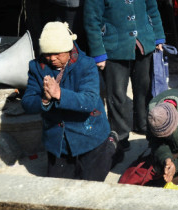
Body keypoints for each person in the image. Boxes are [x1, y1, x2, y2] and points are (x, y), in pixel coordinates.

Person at [84, 0, 165, 151]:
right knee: (117, 95)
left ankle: (144, 126)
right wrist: (99, 54)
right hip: (114, 48)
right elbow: (92, 22)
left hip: (142, 44)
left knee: (144, 88)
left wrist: (158, 38)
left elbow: (152, 9)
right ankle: (120, 137)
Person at [21, 22, 116, 181]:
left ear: (68, 48)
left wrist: (59, 94)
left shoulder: (86, 65)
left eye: (57, 53)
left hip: (89, 136)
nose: (52, 58)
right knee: (59, 188)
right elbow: (27, 102)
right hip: (58, 142)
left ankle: (111, 145)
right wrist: (44, 99)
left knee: (91, 185)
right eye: (47, 54)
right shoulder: (36, 67)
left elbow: (90, 100)